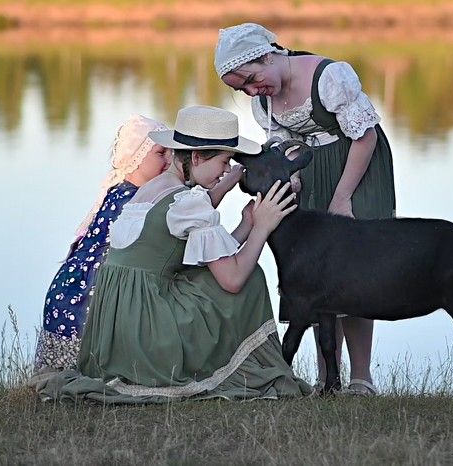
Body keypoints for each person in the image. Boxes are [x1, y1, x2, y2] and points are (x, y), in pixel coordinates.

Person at [30, 106, 312, 403]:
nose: (228, 171)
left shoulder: (153, 189)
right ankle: (235, 364)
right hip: (147, 329)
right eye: (225, 161)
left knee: (206, 275)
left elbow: (210, 252)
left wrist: (245, 224)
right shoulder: (188, 203)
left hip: (116, 326)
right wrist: (263, 227)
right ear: (196, 157)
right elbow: (232, 279)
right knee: (251, 276)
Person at [214, 22, 396, 396]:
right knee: (314, 273)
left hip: (355, 168)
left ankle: (361, 378)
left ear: (268, 55)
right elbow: (283, 147)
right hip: (310, 172)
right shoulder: (263, 100)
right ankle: (327, 375)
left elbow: (366, 137)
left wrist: (342, 198)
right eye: (242, 88)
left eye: (252, 79)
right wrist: (292, 180)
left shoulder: (330, 77)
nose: (252, 90)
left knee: (356, 270)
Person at [33, 115, 171, 371]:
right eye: (161, 153)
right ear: (137, 157)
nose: (168, 162)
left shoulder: (118, 191)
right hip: (84, 301)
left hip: (65, 294)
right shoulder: (133, 202)